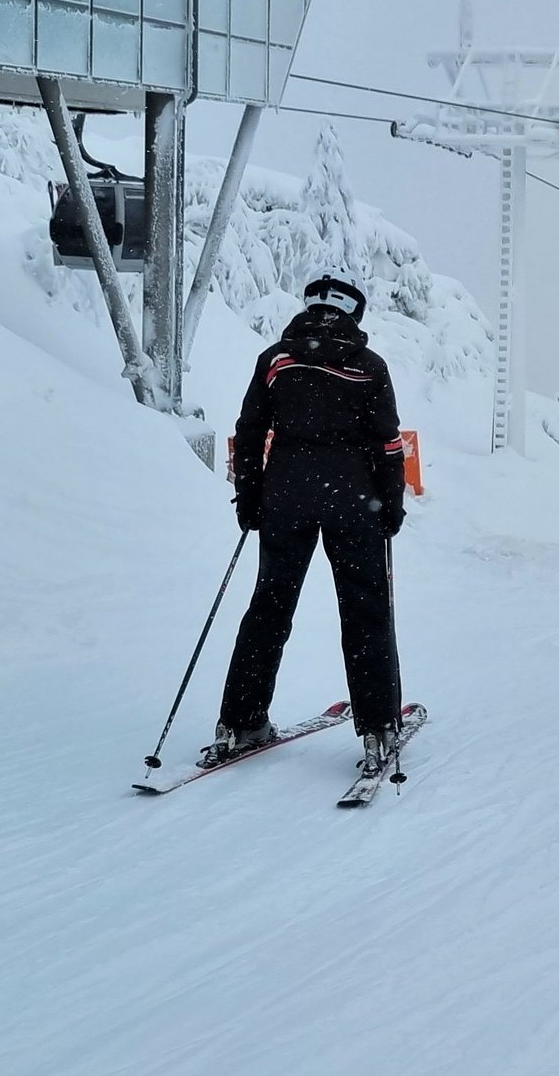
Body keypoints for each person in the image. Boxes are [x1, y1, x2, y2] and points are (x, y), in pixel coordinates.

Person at [206, 269, 408, 775]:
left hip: (285, 496)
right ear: (353, 314)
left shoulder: (276, 360)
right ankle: (379, 728)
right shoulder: (368, 364)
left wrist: (248, 497)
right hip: (353, 499)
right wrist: (391, 504)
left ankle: (240, 722)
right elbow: (388, 444)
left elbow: (249, 432)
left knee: (269, 608)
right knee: (365, 610)